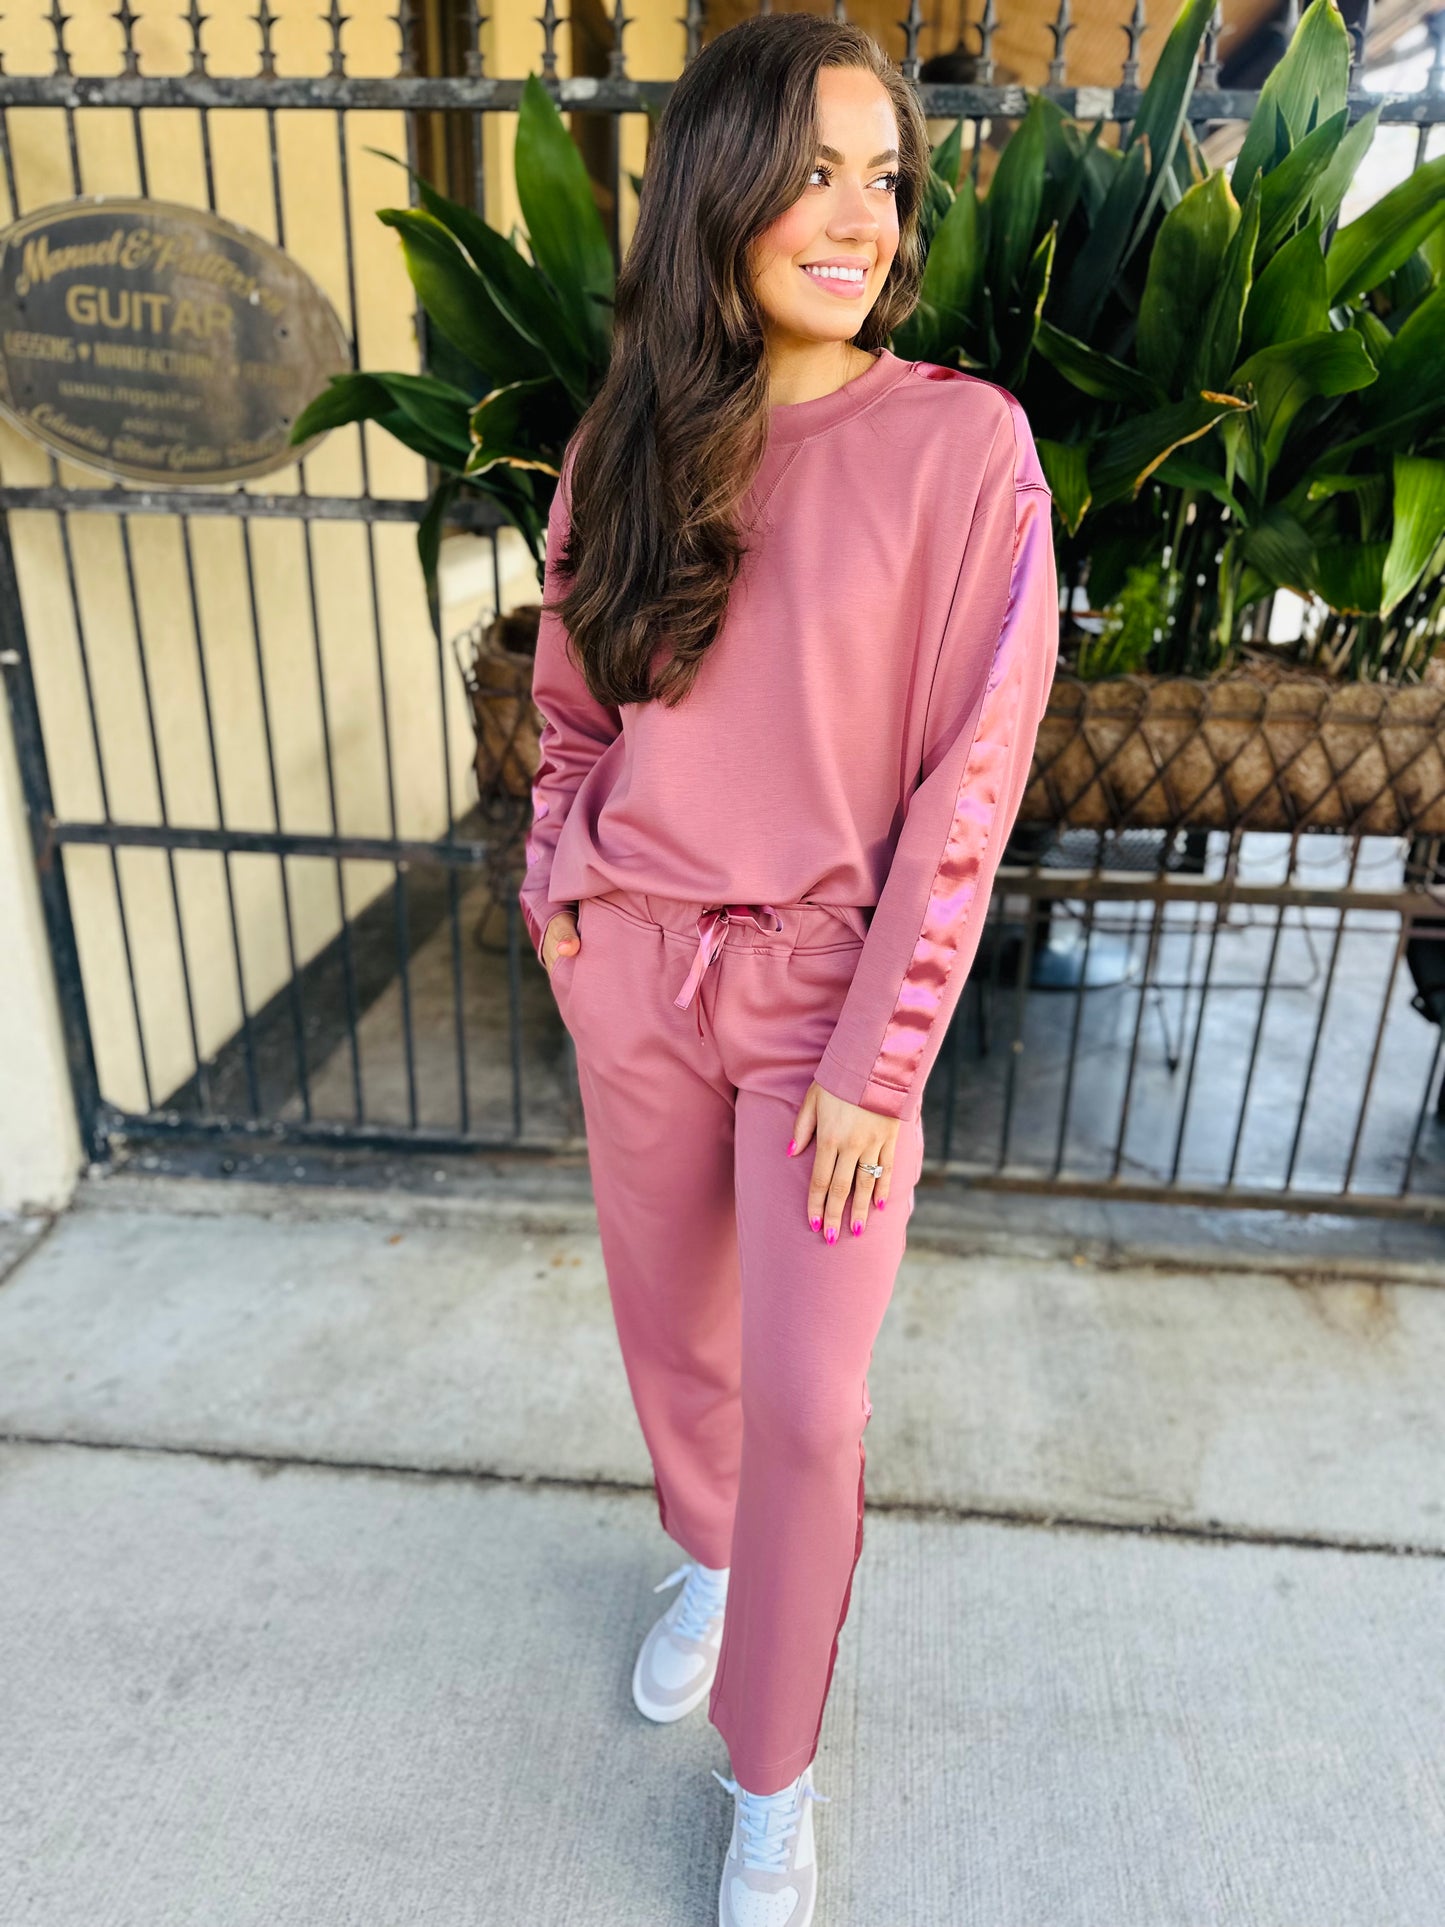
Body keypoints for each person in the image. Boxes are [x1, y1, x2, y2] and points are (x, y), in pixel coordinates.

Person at [518, 14, 1058, 1926]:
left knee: (810, 1403)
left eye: (881, 179)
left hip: (829, 1001)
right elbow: (570, 713)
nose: (855, 218)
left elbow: (969, 782)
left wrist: (878, 1060)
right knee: (677, 1340)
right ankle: (707, 1552)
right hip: (635, 967)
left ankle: (771, 1776)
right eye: (811, 173)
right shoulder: (629, 441)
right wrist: (559, 899)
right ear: (719, 192)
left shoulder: (962, 449)